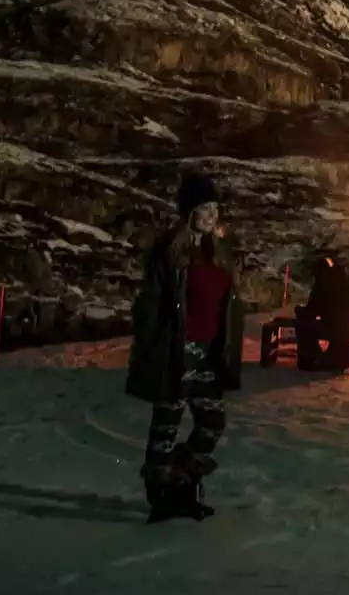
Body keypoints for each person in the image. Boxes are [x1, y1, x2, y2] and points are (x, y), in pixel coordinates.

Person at [125, 173, 243, 524]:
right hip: (177, 351)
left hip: (209, 351)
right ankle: (161, 496)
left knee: (212, 422)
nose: (211, 215)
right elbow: (150, 306)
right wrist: (152, 349)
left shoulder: (219, 251)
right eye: (204, 208)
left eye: (215, 208)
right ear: (189, 212)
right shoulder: (169, 253)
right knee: (167, 423)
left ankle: (182, 475)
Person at [295, 250, 349, 373]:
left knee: (303, 326)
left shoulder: (322, 285)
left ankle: (313, 356)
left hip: (333, 328)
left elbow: (311, 311)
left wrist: (299, 310)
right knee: (337, 333)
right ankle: (339, 356)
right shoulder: (348, 282)